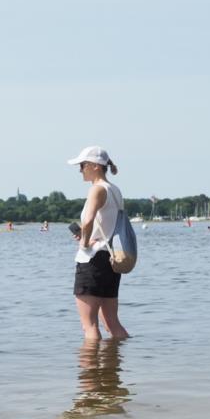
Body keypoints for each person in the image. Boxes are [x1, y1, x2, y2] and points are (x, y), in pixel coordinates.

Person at [68, 146, 130, 341]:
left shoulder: (96, 189)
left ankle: (90, 372)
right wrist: (88, 236)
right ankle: (116, 367)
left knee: (90, 325)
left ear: (95, 166)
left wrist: (84, 244)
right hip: (111, 259)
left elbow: (87, 220)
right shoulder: (115, 190)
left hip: (93, 260)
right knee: (112, 322)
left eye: (82, 165)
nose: (80, 170)